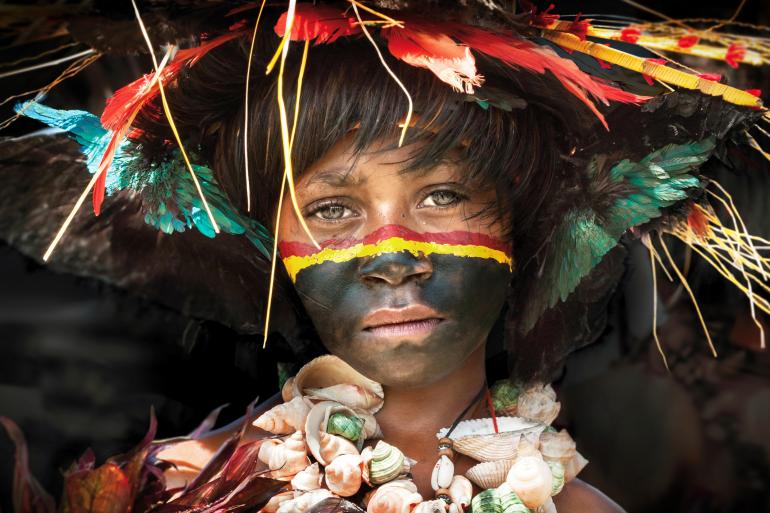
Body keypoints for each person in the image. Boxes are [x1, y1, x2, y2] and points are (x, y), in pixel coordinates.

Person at [1, 2, 767, 513]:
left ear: (518, 228)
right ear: (271, 242)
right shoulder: (178, 485)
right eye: (332, 209)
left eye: (442, 197)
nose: (392, 257)